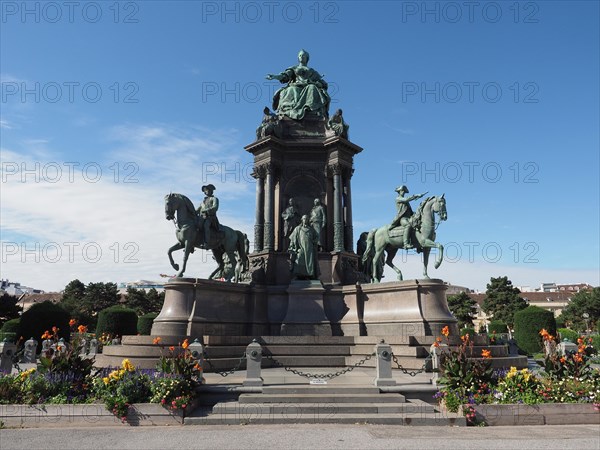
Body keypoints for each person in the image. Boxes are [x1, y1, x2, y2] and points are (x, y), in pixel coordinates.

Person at [266, 49, 330, 120]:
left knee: (312, 88)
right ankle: (290, 109)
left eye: (303, 56)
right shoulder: (294, 68)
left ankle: (310, 109)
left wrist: (319, 84)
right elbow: (285, 76)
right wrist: (275, 77)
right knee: (291, 89)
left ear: (307, 58)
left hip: (308, 86)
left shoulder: (312, 71)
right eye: (300, 55)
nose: (301, 57)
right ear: (298, 58)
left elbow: (322, 82)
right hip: (296, 86)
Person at [288, 215, 319, 279]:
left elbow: (316, 237)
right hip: (300, 247)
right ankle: (299, 275)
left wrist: (314, 241)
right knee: (299, 259)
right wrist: (292, 246)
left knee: (309, 262)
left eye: (307, 219)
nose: (305, 220)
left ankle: (309, 275)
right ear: (302, 220)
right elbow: (293, 238)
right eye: (304, 219)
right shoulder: (298, 228)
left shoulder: (311, 229)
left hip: (309, 248)